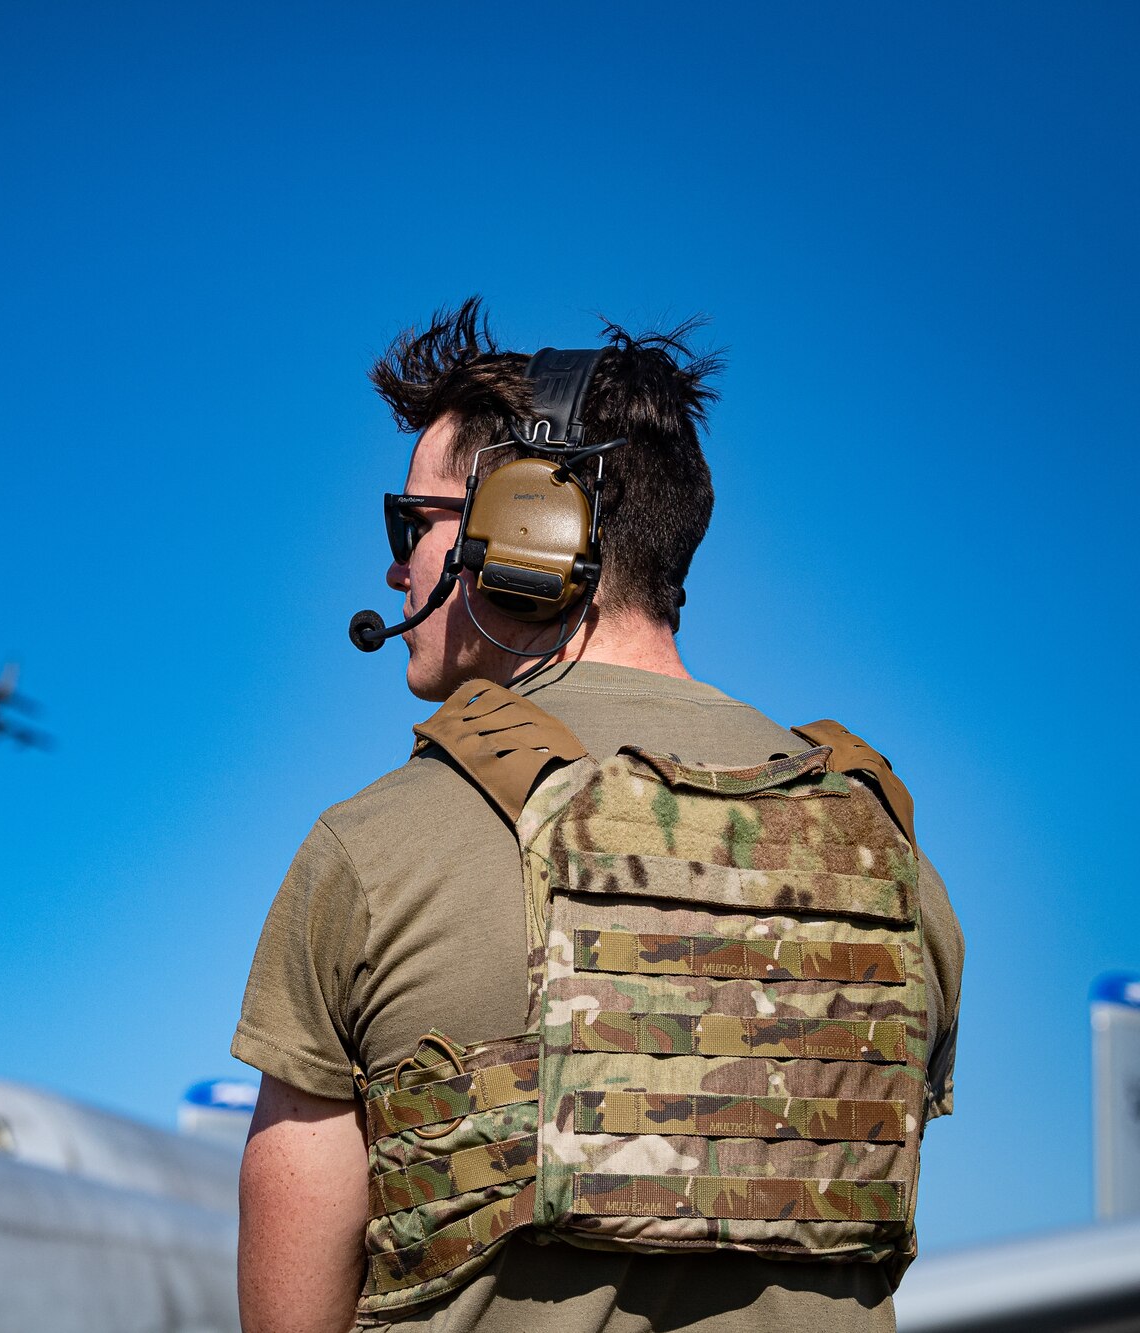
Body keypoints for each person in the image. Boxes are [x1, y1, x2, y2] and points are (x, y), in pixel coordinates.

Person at [232, 298, 963, 1333]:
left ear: (526, 525)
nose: (395, 569)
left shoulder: (371, 852)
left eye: (413, 524)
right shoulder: (887, 850)